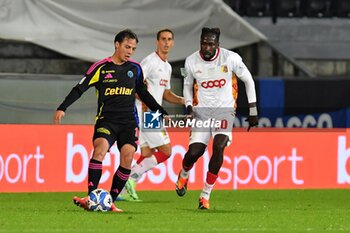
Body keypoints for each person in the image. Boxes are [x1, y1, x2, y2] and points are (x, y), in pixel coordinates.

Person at [53, 29, 168, 212]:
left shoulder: (135, 68)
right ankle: (92, 198)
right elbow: (80, 88)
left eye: (133, 48)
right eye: (127, 47)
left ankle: (110, 201)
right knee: (99, 150)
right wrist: (62, 107)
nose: (130, 51)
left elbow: (143, 93)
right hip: (107, 121)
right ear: (117, 44)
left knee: (128, 156)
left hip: (129, 122)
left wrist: (159, 110)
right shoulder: (100, 67)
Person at [175, 27, 258, 210]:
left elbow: (248, 80)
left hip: (224, 111)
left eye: (211, 44)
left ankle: (205, 194)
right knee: (194, 153)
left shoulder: (231, 58)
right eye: (204, 43)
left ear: (217, 45)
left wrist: (253, 110)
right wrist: (188, 105)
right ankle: (184, 172)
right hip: (201, 112)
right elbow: (187, 85)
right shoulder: (191, 61)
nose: (206, 47)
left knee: (219, 146)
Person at [120, 29, 184, 201]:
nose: (166, 42)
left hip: (150, 113)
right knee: (166, 151)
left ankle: (123, 190)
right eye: (163, 39)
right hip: (147, 113)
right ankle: (131, 177)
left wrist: (184, 101)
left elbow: (166, 93)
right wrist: (147, 108)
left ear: (173, 43)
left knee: (147, 153)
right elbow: (134, 87)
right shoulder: (149, 62)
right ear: (157, 41)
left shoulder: (167, 67)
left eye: (169, 39)